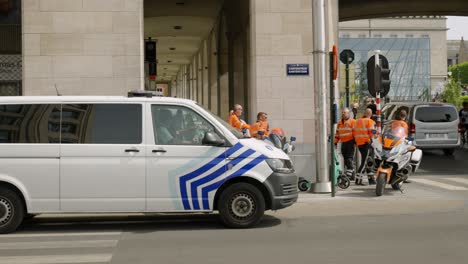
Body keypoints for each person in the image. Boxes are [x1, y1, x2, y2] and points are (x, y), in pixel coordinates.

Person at [353, 108, 377, 185]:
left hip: (359, 143)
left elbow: (354, 131)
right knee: (364, 162)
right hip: (366, 142)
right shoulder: (370, 121)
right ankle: (358, 180)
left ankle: (371, 180)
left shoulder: (358, 121)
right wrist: (376, 134)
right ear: (370, 114)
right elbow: (371, 131)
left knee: (367, 161)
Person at [334, 108, 356, 180]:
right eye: (342, 112)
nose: (343, 114)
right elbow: (337, 134)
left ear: (348, 113)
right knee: (345, 158)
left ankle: (349, 173)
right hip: (344, 143)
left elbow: (356, 132)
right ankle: (352, 173)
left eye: (345, 112)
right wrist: (335, 142)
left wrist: (356, 142)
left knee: (349, 158)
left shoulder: (352, 121)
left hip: (350, 142)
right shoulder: (339, 123)